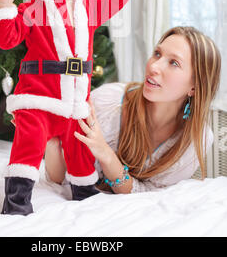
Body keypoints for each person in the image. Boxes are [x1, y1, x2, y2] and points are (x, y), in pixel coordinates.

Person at [0, 0, 132, 214]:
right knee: (27, 147)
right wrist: (5, 4)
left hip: (75, 102)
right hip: (37, 100)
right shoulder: (30, 9)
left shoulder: (90, 8)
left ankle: (84, 194)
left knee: (79, 149)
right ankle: (16, 203)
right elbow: (7, 40)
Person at [45, 26, 221, 193]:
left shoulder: (197, 139)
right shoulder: (108, 102)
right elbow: (61, 180)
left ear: (195, 87)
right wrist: (52, 136)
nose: (153, 66)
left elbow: (149, 196)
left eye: (174, 63)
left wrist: (106, 155)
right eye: (157, 54)